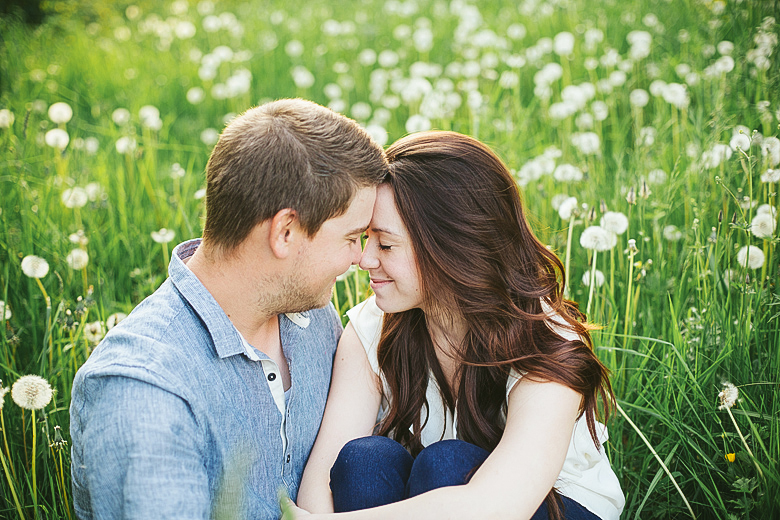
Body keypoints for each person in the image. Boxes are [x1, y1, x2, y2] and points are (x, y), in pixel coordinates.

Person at [70, 98, 387, 519]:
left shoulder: (311, 319)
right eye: (352, 238)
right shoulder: (144, 390)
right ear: (286, 232)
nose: (360, 258)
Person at [294, 131, 625, 520]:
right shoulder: (372, 328)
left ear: (449, 247)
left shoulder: (543, 342)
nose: (365, 260)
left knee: (447, 466)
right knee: (364, 461)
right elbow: (319, 482)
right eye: (366, 239)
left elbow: (496, 504)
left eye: (384, 245)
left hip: (550, 508)